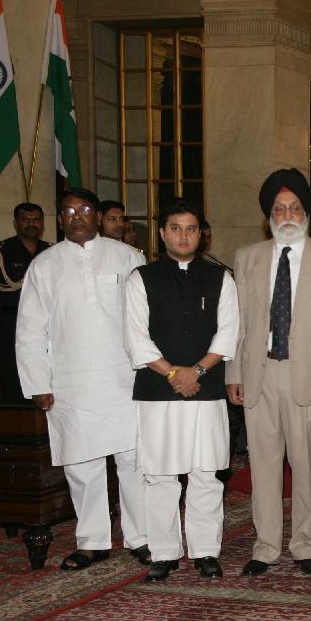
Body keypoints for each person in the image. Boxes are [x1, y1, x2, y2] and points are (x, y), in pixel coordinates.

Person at [227, 168, 311, 578]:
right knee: (262, 467)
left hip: (309, 377)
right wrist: (233, 372)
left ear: (306, 214)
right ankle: (265, 547)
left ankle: (306, 544)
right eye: (279, 209)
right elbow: (238, 322)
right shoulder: (247, 257)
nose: (287, 216)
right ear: (269, 216)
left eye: (295, 208)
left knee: (305, 465)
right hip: (259, 374)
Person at [15, 188, 148, 570]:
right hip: (71, 382)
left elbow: (146, 319)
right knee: (82, 466)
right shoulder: (44, 265)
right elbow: (30, 329)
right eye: (68, 211)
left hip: (125, 378)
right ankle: (92, 542)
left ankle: (141, 538)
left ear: (98, 215)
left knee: (134, 462)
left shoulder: (128, 257)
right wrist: (38, 383)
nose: (77, 216)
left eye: (85, 209)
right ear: (60, 219)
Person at [124, 201, 239, 582]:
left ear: (201, 235)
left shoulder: (221, 278)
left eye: (191, 229)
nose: (184, 236)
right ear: (162, 233)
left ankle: (205, 551)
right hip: (158, 391)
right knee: (159, 475)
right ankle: (164, 552)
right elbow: (136, 340)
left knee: (206, 473)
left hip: (206, 390)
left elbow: (228, 333)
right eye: (176, 228)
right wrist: (174, 373)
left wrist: (197, 371)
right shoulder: (141, 278)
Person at [0, 202, 50, 401]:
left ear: (42, 223)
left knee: (45, 378)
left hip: (46, 327)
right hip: (10, 326)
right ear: (15, 223)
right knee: (10, 382)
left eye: (36, 220)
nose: (31, 224)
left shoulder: (52, 252)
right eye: (26, 220)